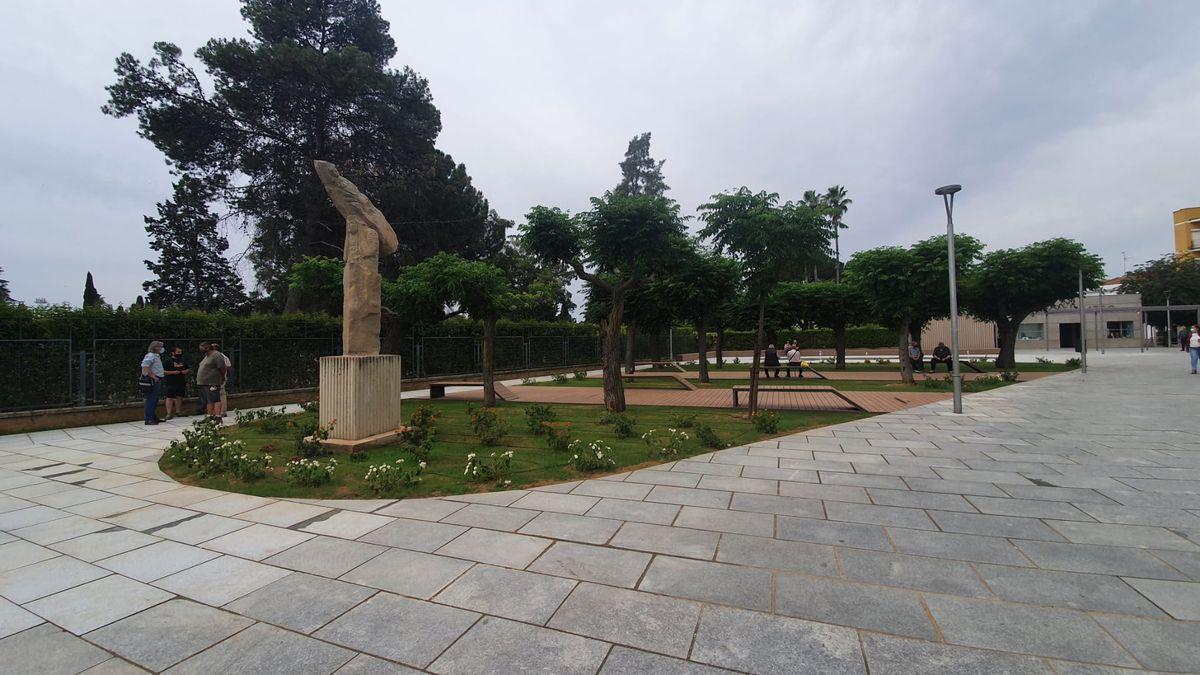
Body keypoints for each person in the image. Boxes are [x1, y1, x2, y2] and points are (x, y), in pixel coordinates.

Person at [196, 341, 229, 418]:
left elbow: (222, 367)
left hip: (213, 382)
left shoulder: (216, 355)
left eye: (202, 348)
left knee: (215, 399)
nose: (201, 350)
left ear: (207, 347)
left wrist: (222, 377)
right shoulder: (207, 356)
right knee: (209, 400)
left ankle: (218, 416)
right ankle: (210, 416)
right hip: (205, 383)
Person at [139, 341, 165, 425]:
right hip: (153, 380)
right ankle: (149, 419)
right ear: (155, 347)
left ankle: (153, 417)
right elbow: (145, 367)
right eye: (160, 347)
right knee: (151, 399)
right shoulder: (150, 356)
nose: (161, 348)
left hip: (157, 379)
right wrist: (153, 376)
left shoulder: (155, 356)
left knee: (155, 399)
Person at [162, 346, 190, 420]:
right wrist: (172, 372)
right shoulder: (167, 361)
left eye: (180, 352)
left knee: (179, 396)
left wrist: (185, 371)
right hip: (171, 381)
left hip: (181, 381)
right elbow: (162, 371)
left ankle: (178, 411)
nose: (180, 354)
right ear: (173, 353)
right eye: (178, 352)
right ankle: (169, 413)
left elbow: (188, 369)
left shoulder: (183, 361)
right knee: (170, 397)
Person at [211, 342, 232, 417]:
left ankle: (220, 411)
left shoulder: (214, 357)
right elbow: (229, 367)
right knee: (220, 394)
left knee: (219, 394)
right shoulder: (224, 356)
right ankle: (221, 411)